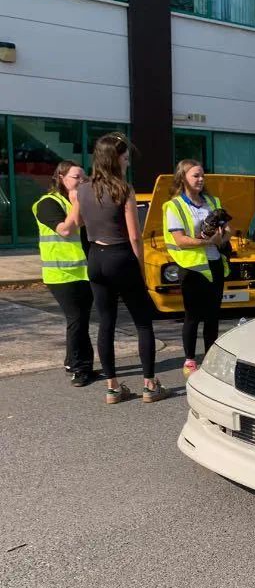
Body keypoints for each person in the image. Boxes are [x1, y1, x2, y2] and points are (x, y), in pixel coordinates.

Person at [74, 133, 169, 404]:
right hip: (120, 256)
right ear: (114, 159)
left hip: (96, 257)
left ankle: (113, 387)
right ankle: (150, 385)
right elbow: (135, 236)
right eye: (125, 159)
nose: (127, 163)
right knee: (142, 321)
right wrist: (140, 269)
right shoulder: (124, 189)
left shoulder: (83, 189)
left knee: (106, 322)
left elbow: (77, 222)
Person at [163, 160, 231, 378]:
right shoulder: (174, 206)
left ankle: (210, 360)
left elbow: (228, 230)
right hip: (191, 267)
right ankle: (190, 361)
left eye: (203, 175)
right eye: (195, 176)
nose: (201, 179)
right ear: (183, 178)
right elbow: (180, 240)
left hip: (214, 264)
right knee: (192, 316)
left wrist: (223, 236)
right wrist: (208, 241)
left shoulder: (213, 201)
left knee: (213, 316)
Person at [32, 160, 94, 387]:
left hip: (84, 272)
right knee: (76, 319)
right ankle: (79, 367)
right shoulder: (47, 203)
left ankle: (77, 361)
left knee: (82, 320)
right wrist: (77, 201)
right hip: (60, 274)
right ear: (61, 177)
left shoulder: (79, 202)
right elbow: (66, 230)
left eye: (84, 178)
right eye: (77, 177)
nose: (82, 181)